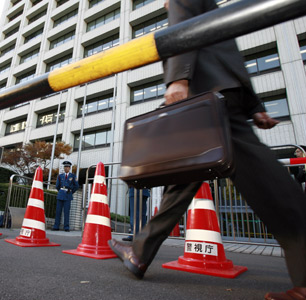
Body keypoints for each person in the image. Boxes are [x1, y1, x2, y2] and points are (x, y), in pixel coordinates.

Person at [108, 1, 306, 299]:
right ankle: (139, 251)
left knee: (273, 188)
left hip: (211, 99)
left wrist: (178, 79)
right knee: (185, 175)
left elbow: (183, 31)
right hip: (226, 96)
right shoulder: (214, 7)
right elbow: (230, 56)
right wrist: (255, 106)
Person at [52, 161, 79, 232]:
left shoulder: (73, 176)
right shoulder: (60, 176)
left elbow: (76, 186)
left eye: (67, 167)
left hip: (68, 195)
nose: (66, 168)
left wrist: (71, 191)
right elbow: (57, 186)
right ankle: (56, 226)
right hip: (61, 194)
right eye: (65, 167)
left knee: (67, 211)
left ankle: (66, 227)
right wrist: (61, 191)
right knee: (58, 211)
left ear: (70, 168)